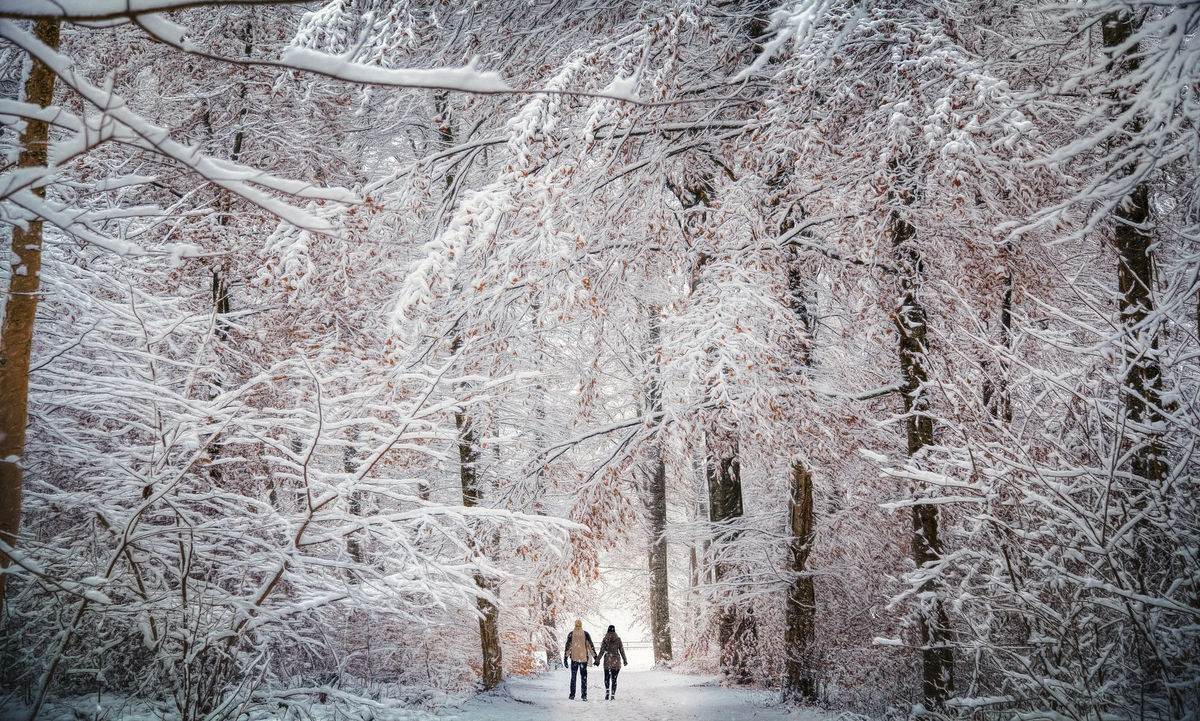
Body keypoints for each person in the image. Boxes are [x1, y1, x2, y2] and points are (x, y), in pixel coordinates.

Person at [562, 619, 597, 700]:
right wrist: (595, 657)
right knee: (584, 678)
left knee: (573, 677)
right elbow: (590, 646)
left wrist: (566, 658)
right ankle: (584, 695)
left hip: (574, 658)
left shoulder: (571, 634)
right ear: (581, 625)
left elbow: (568, 647)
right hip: (583, 659)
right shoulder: (585, 634)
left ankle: (572, 695)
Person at [596, 624, 628, 700]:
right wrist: (625, 660)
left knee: (606, 678)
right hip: (616, 661)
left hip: (607, 660)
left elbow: (602, 651)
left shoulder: (605, 639)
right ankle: (613, 695)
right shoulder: (618, 639)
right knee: (614, 679)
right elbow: (622, 650)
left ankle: (607, 692)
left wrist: (597, 660)